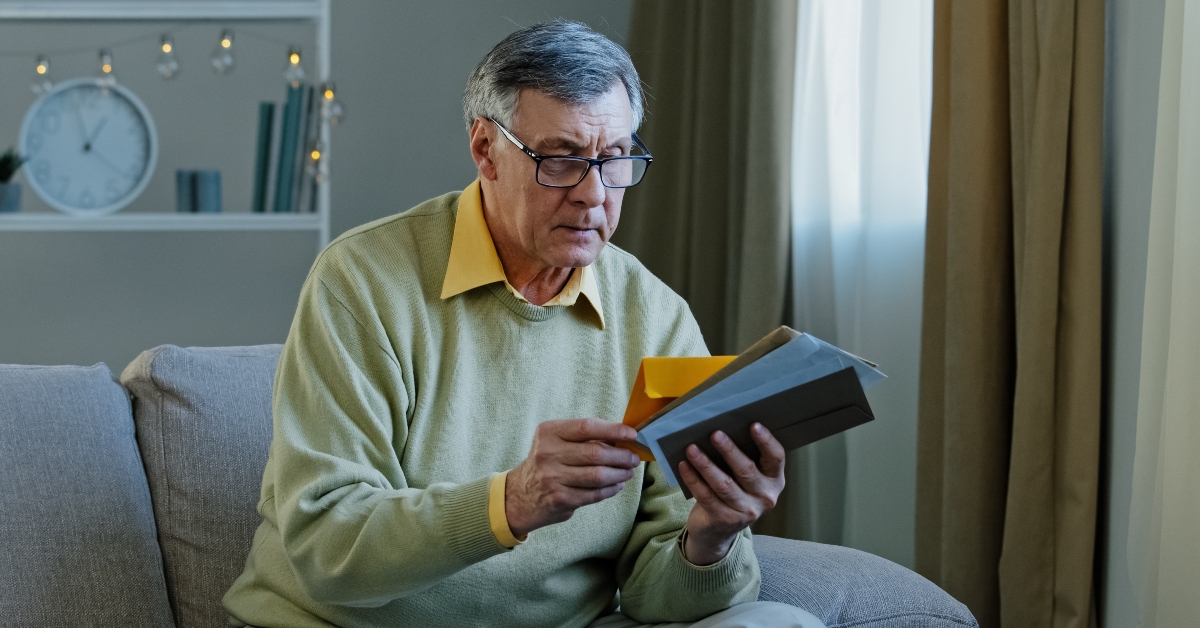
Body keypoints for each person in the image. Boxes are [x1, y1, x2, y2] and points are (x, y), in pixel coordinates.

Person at [224, 19, 823, 628]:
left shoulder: (656, 314)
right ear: (486, 149)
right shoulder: (361, 280)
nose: (594, 194)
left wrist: (711, 538)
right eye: (561, 159)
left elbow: (653, 597)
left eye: (615, 159)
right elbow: (327, 548)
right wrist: (512, 501)